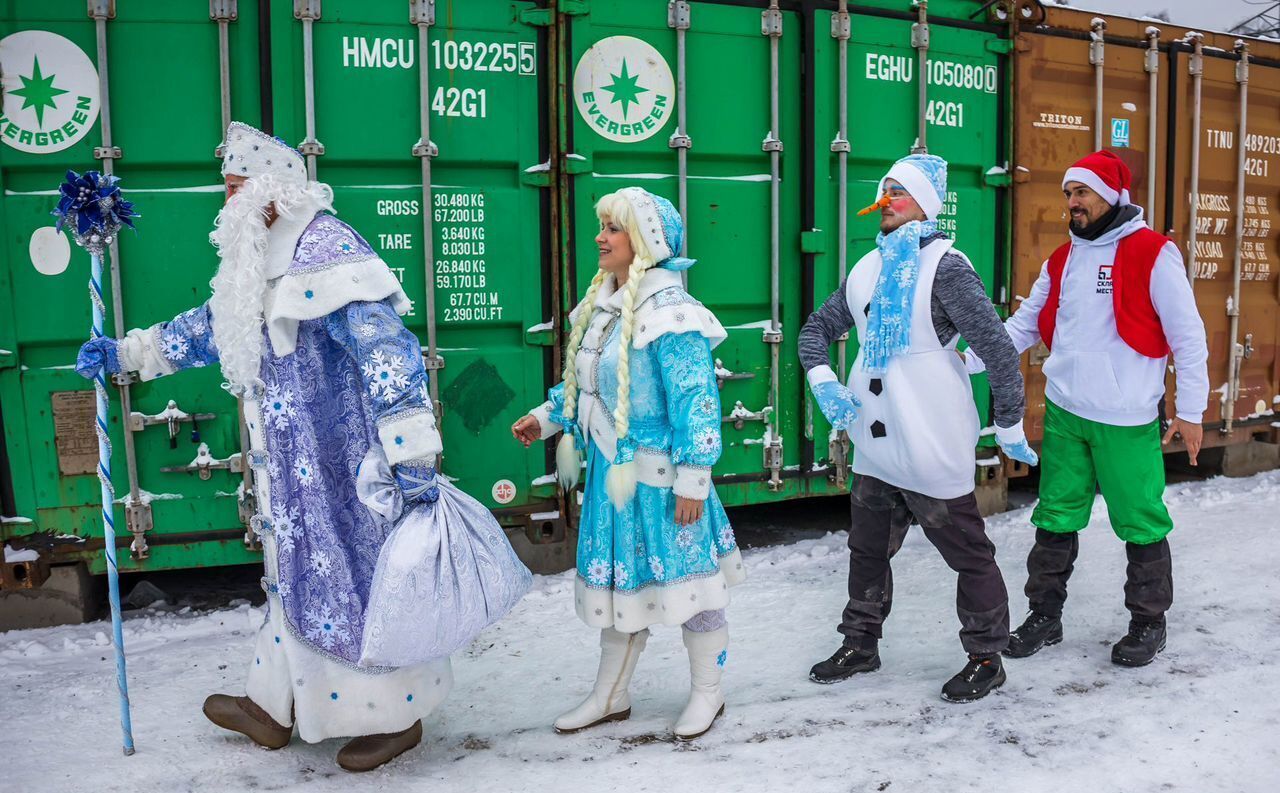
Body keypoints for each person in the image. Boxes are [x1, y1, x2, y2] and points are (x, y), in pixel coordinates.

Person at [76, 122, 454, 771]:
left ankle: (396, 716)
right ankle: (272, 704)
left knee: (354, 583)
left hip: (345, 467)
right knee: (297, 580)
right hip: (291, 471)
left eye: (236, 189)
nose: (228, 205)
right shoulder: (259, 258)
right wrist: (129, 354)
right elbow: (207, 330)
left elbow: (389, 353)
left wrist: (412, 452)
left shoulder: (329, 249)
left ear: (273, 191)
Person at [798, 153, 1035, 702]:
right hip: (875, 440)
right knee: (867, 547)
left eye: (897, 192)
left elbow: (998, 351)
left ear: (924, 204)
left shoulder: (947, 267)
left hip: (930, 433)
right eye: (882, 191)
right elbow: (815, 330)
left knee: (966, 550)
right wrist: (823, 380)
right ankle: (860, 643)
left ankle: (986, 655)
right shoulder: (867, 268)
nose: (884, 200)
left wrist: (1008, 422)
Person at [511, 188, 744, 739]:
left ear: (643, 240)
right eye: (602, 227)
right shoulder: (602, 307)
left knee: (692, 592)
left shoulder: (671, 313)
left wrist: (694, 479)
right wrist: (546, 418)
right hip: (613, 485)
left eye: (612, 228)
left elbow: (697, 403)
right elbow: (586, 387)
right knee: (621, 593)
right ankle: (610, 696)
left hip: (666, 487)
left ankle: (708, 694)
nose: (599, 237)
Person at [968, 150, 1208, 667]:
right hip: (1066, 411)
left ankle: (1149, 623)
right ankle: (1044, 617)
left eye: (1082, 193)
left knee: (1141, 521)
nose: (1072, 203)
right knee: (1055, 516)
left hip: (1125, 417)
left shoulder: (1153, 252)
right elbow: (1026, 323)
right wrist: (967, 359)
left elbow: (1189, 338)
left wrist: (1191, 411)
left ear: (1112, 195)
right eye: (1068, 194)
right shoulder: (1064, 258)